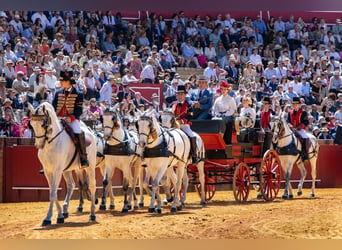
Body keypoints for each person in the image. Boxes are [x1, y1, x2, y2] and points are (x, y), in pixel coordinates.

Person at [52, 69, 89, 168]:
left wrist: (71, 118)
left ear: (69, 81)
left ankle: (83, 158)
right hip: (58, 119)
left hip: (71, 120)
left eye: (63, 80)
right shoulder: (58, 92)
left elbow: (79, 110)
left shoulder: (78, 94)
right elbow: (53, 107)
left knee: (78, 131)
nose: (60, 82)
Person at [171, 85, 198, 163]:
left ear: (185, 95)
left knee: (191, 136)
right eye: (179, 94)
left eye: (182, 94)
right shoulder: (173, 104)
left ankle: (194, 155)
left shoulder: (188, 104)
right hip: (174, 126)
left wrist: (182, 121)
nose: (180, 96)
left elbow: (190, 115)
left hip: (184, 126)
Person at [287, 97, 310, 161]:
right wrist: (289, 125)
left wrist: (301, 126)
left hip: (300, 129)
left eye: (296, 104)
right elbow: (287, 121)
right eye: (294, 104)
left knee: (305, 137)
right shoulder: (290, 112)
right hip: (291, 129)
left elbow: (306, 122)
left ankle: (305, 154)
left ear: (299, 104)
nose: (295, 105)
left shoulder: (303, 112)